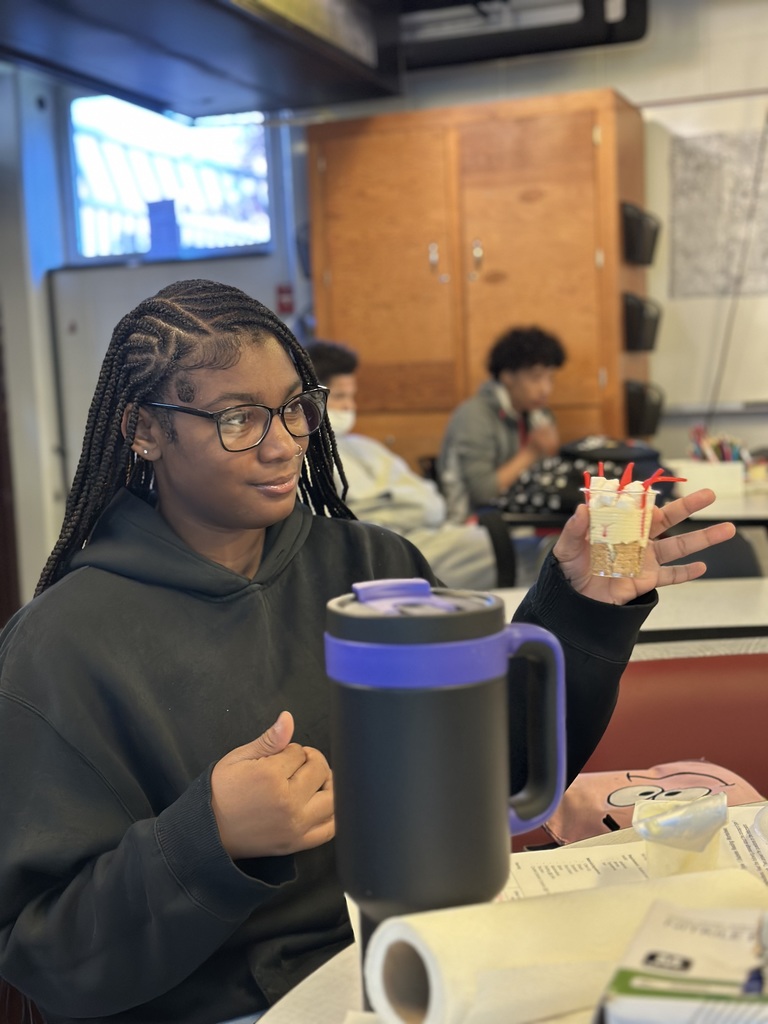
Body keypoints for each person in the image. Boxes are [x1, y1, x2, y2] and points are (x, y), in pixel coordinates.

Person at [0, 279, 734, 1024]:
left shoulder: (375, 566)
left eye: (294, 408)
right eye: (237, 420)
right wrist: (208, 838)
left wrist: (581, 610)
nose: (284, 442)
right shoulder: (59, 649)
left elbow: (496, 779)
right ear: (143, 429)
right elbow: (47, 954)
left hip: (423, 968)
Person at [304, 340, 501, 590]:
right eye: (340, 397)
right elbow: (356, 522)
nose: (350, 406)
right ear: (311, 399)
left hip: (430, 531)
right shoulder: (308, 461)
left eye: (352, 396)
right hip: (392, 549)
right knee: (502, 548)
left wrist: (420, 508)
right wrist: (416, 508)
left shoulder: (364, 446)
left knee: (501, 538)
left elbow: (429, 500)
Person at [438, 325, 567, 523]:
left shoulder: (539, 416)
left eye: (550, 378)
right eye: (536, 378)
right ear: (507, 376)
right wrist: (531, 453)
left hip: (523, 519)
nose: (546, 389)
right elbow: (483, 493)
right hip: (471, 526)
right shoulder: (473, 416)